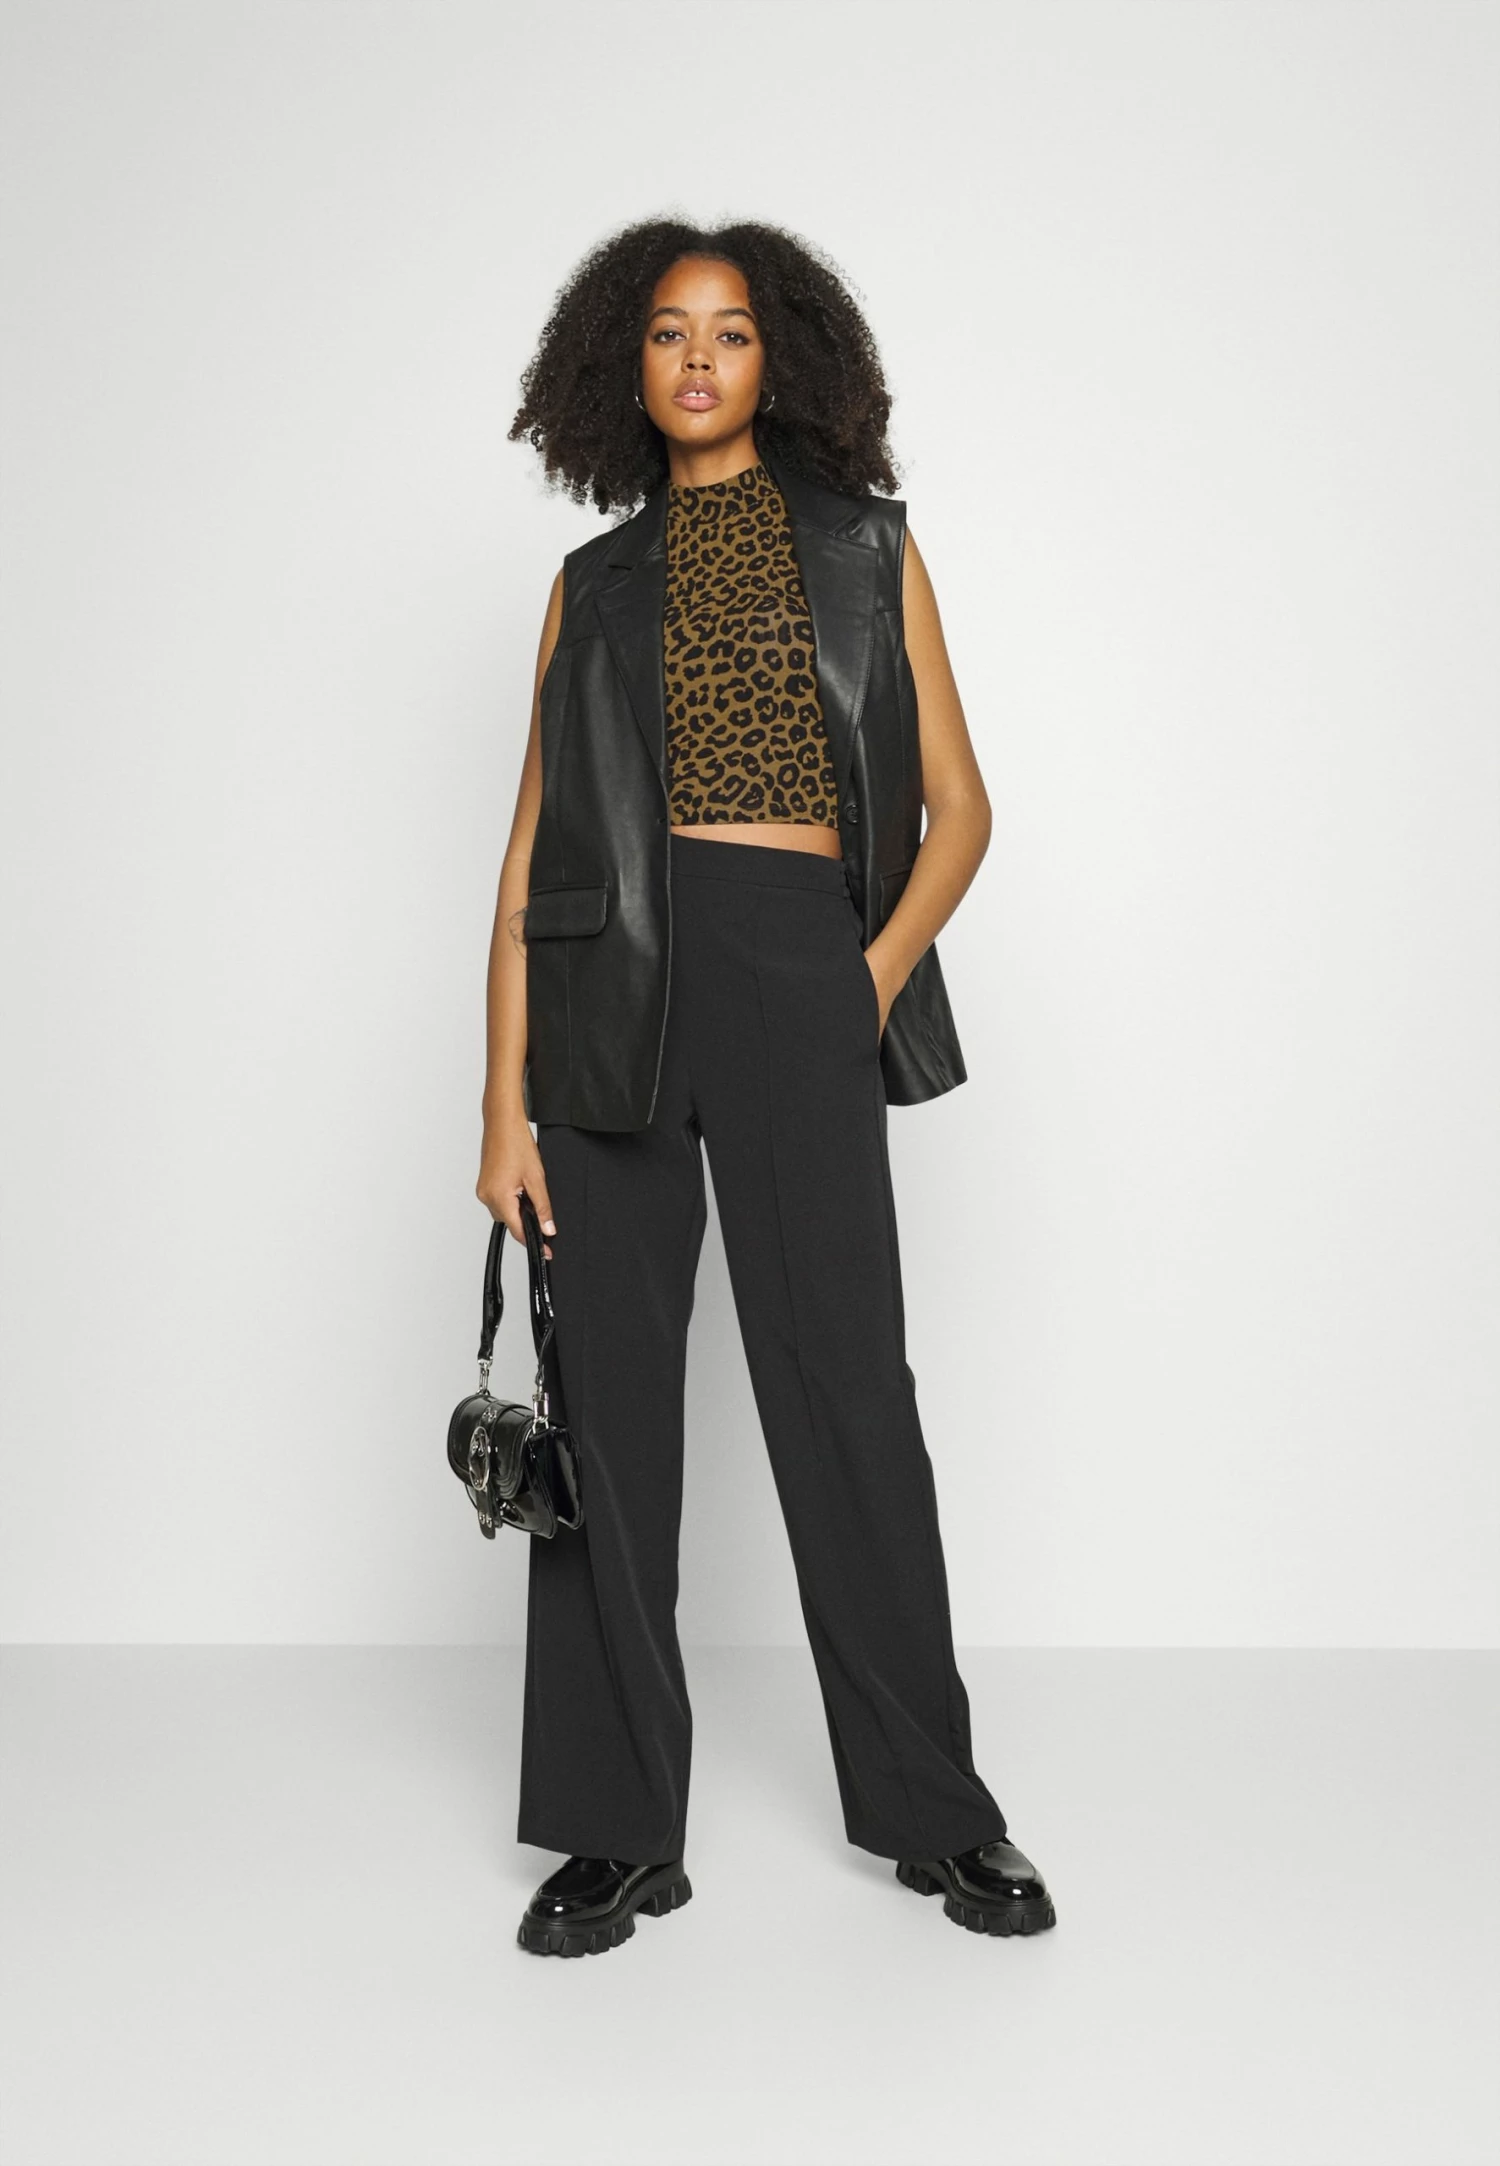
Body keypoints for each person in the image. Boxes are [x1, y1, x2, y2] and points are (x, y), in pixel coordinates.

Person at [477, 218, 1056, 1958]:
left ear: (777, 358)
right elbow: (528, 854)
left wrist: (857, 981)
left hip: (797, 971)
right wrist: (500, 1108)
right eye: (669, 331)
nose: (700, 358)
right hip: (611, 995)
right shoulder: (592, 585)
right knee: (610, 1412)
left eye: (730, 330)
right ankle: (615, 1831)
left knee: (847, 1393)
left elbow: (961, 809)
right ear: (625, 364)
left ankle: (938, 1812)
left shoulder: (868, 548)